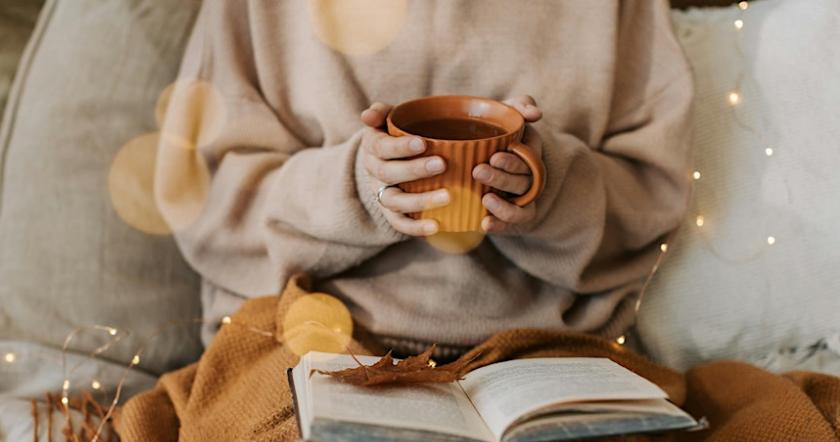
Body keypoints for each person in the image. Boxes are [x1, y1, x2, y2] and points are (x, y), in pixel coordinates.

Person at [158, 0, 694, 360]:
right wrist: (359, 188)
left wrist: (548, 188)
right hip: (302, 344)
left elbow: (652, 192)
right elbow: (205, 199)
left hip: (546, 353)